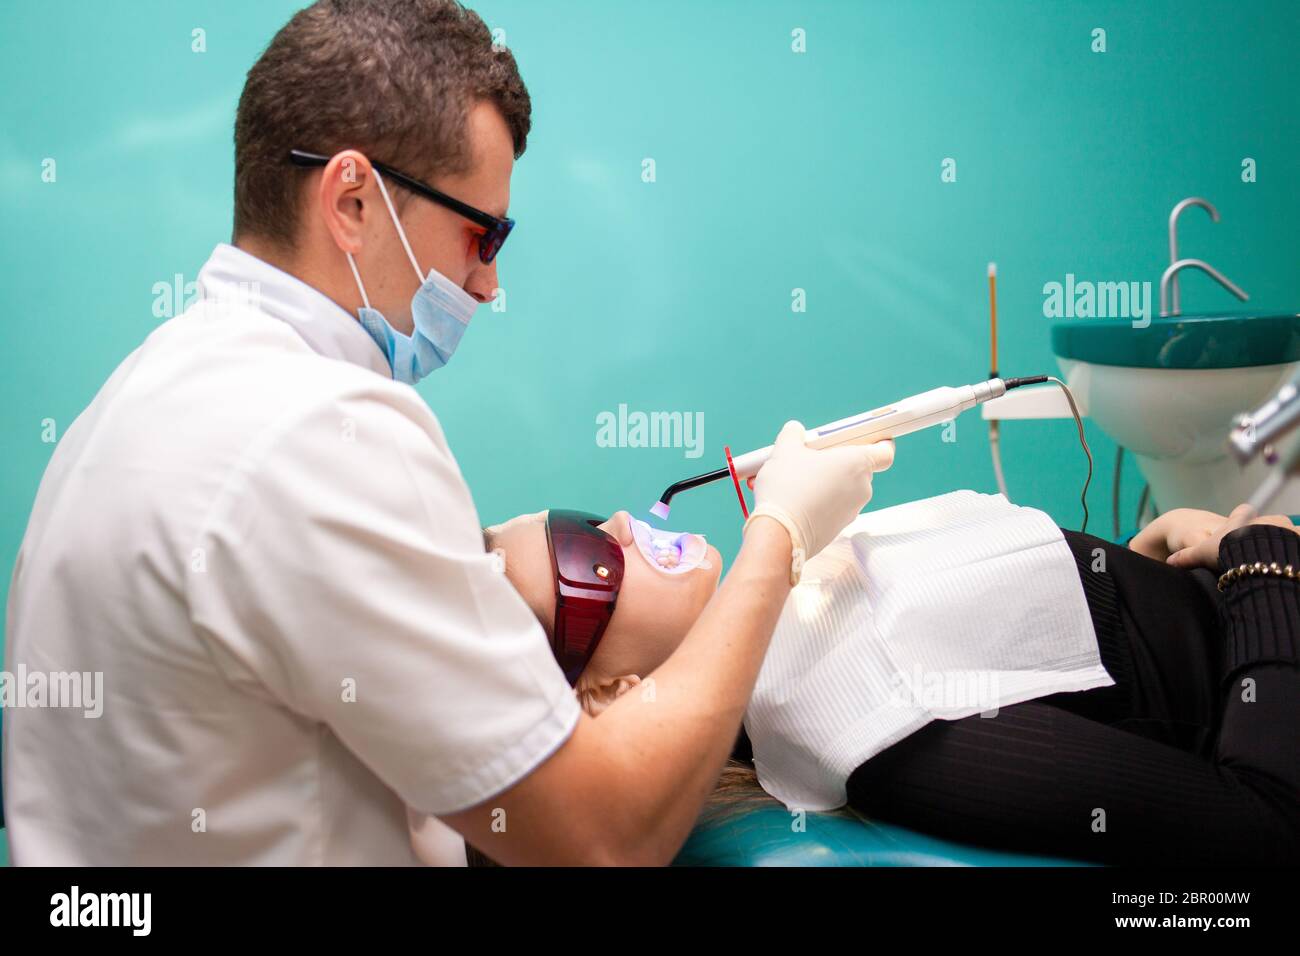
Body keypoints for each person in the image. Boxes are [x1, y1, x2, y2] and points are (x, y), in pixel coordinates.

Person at [0, 0, 893, 865]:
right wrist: (777, 539)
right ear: (351, 201)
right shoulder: (325, 432)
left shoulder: (134, 397)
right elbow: (599, 843)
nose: (490, 283)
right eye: (482, 234)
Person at [473, 500, 1300, 865]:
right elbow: (1265, 820)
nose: (618, 525)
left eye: (580, 518)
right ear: (609, 693)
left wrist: (1135, 557)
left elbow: (1075, 657)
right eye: (589, 561)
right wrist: (1264, 560)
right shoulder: (869, 718)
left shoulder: (805, 611)